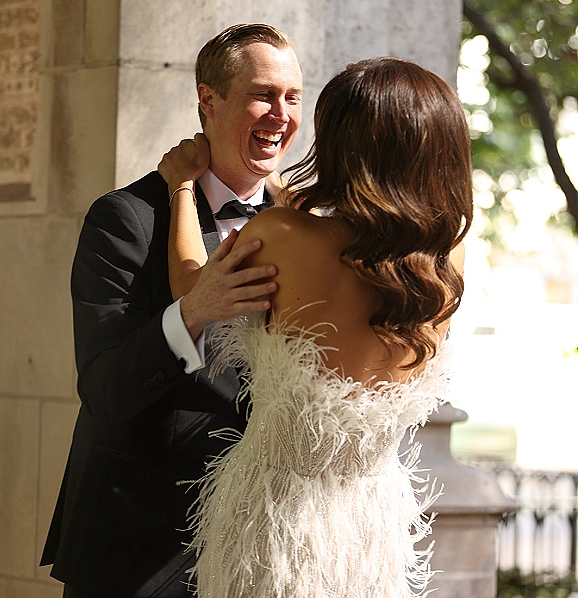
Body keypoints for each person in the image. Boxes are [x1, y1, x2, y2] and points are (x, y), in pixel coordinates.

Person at [159, 56, 473, 598]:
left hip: (274, 521)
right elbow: (357, 249)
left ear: (346, 146)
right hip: (370, 527)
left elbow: (193, 289)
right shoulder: (447, 259)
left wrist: (181, 186)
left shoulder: (281, 233)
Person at [41, 24, 303, 598]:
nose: (280, 114)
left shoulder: (303, 227)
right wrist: (191, 314)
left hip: (263, 548)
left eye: (292, 97)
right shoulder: (125, 220)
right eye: (263, 94)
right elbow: (104, 390)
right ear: (208, 100)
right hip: (138, 543)